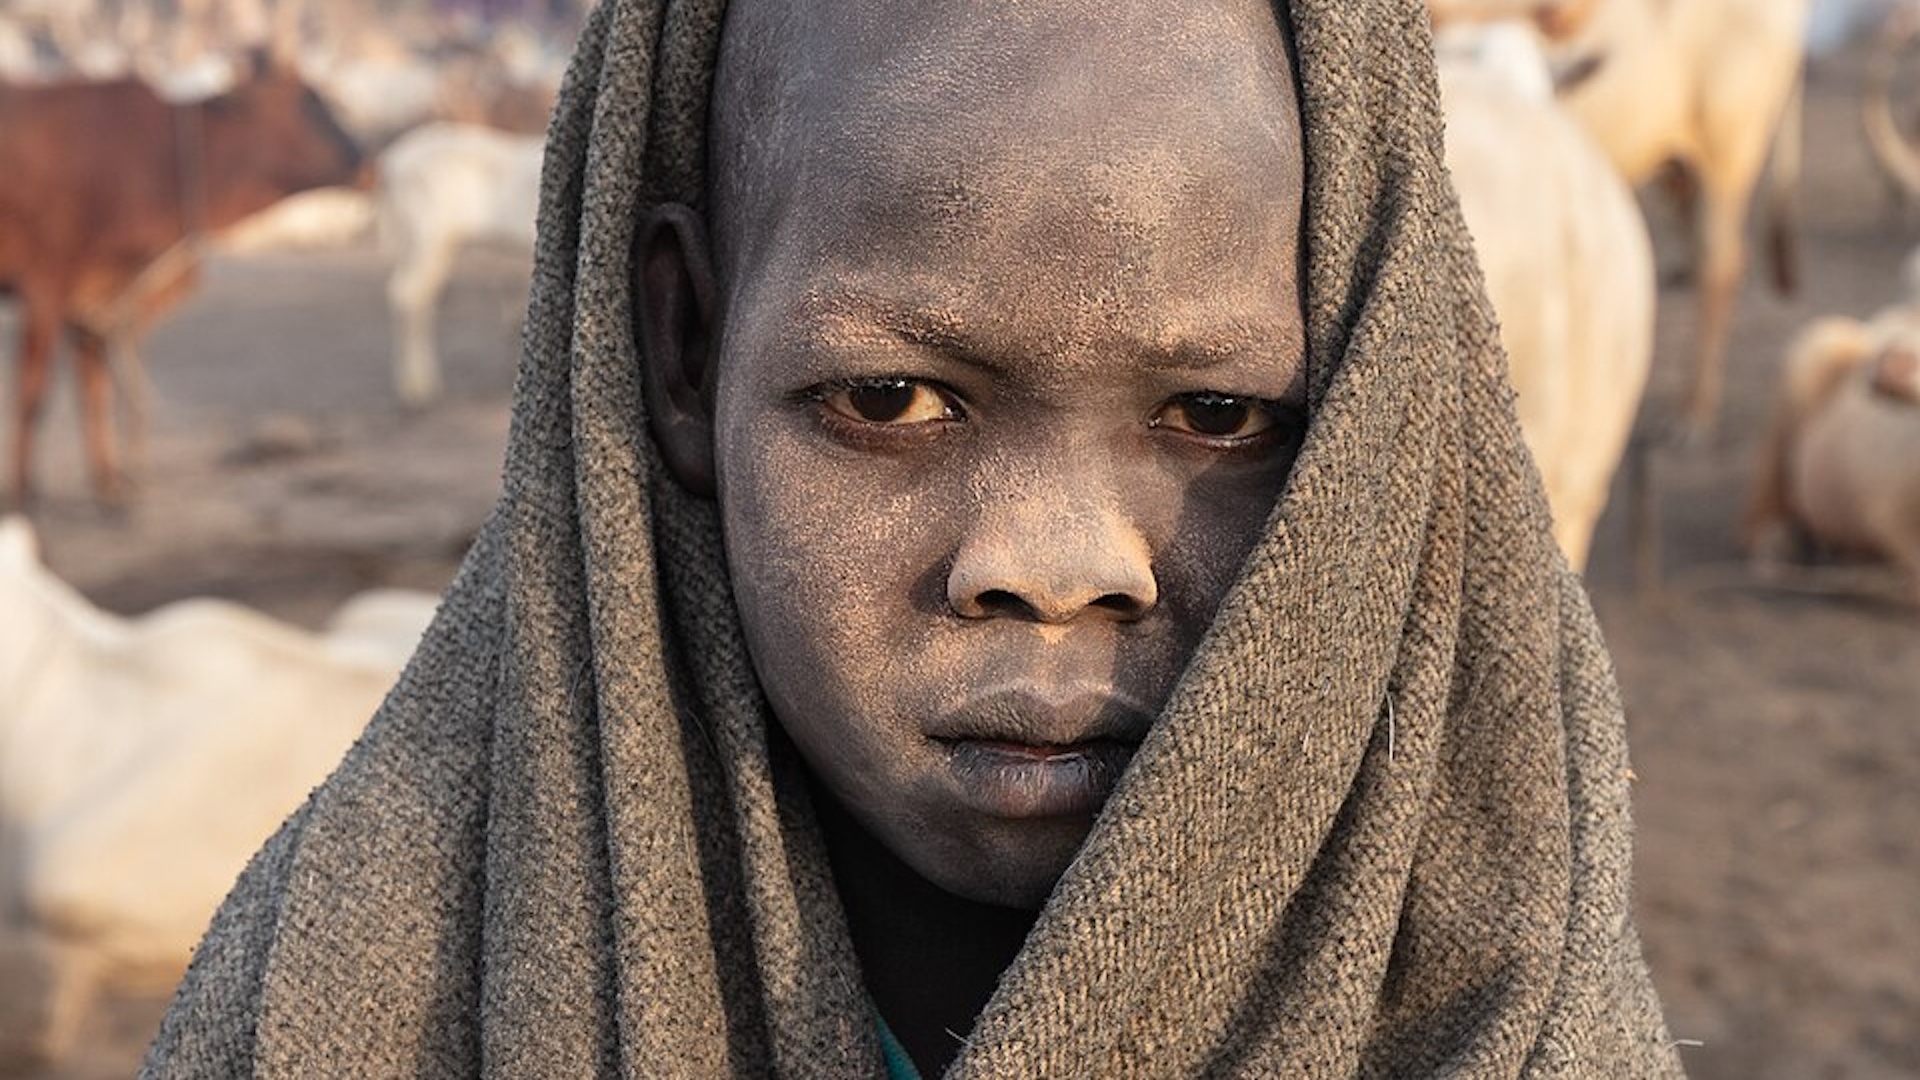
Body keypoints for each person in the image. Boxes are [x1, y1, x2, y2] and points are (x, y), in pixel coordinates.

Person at [141, 0, 1684, 1076]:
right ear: (681, 350)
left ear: (1369, 390)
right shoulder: (357, 994)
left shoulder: (1500, 1009)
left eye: (1219, 417)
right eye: (891, 396)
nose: (1060, 562)